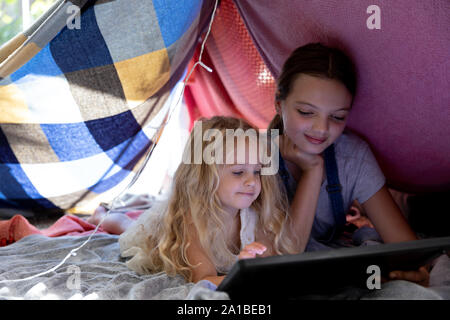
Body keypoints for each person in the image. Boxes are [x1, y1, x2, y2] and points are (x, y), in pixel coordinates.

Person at [269, 43, 430, 286]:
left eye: (337, 117)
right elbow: (285, 257)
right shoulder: (251, 156)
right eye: (306, 112)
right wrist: (313, 171)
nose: (321, 129)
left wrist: (411, 270)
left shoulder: (352, 157)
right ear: (279, 105)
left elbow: (406, 248)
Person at [89, 116, 300, 286]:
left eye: (257, 171)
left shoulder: (255, 215)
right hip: (155, 234)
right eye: (238, 172)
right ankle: (102, 215)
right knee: (128, 226)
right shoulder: (193, 221)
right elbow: (203, 279)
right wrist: (242, 275)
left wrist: (255, 264)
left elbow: (270, 265)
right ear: (205, 176)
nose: (252, 181)